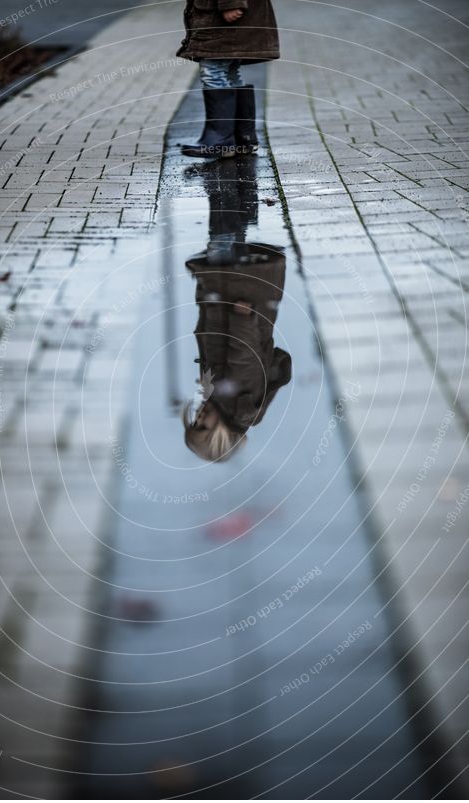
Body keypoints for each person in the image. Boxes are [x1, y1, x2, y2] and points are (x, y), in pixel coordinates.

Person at [183, 158, 292, 462]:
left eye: (194, 423)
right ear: (221, 437)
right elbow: (246, 359)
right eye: (203, 427)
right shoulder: (239, 406)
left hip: (228, 298)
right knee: (223, 233)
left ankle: (233, 175)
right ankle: (225, 174)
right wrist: (242, 318)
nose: (199, 417)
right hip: (237, 301)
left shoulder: (222, 402)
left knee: (228, 235)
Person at [177, 0, 280, 158]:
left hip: (222, 17)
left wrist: (231, 3)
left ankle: (220, 141)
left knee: (213, 71)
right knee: (230, 71)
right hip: (225, 16)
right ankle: (242, 138)